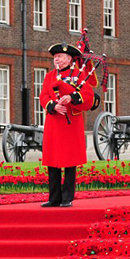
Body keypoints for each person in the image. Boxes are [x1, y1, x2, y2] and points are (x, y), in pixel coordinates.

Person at [39, 42, 97, 207]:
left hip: (70, 122)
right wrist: (53, 105)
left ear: (70, 59)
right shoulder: (49, 76)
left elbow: (87, 94)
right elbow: (43, 95)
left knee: (70, 161)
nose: (57, 60)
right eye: (56, 57)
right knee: (52, 161)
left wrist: (71, 97)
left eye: (61, 57)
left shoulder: (78, 74)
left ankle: (67, 198)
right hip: (54, 121)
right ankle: (54, 197)